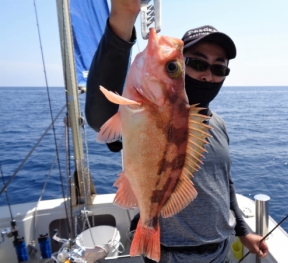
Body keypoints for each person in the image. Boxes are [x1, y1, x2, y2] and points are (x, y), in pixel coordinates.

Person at [85, 1, 268, 262]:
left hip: (220, 251)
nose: (208, 75)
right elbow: (99, 116)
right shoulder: (141, 111)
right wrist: (122, 20)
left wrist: (243, 230)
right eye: (197, 64)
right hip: (170, 255)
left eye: (219, 68)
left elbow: (224, 182)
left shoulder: (218, 124)